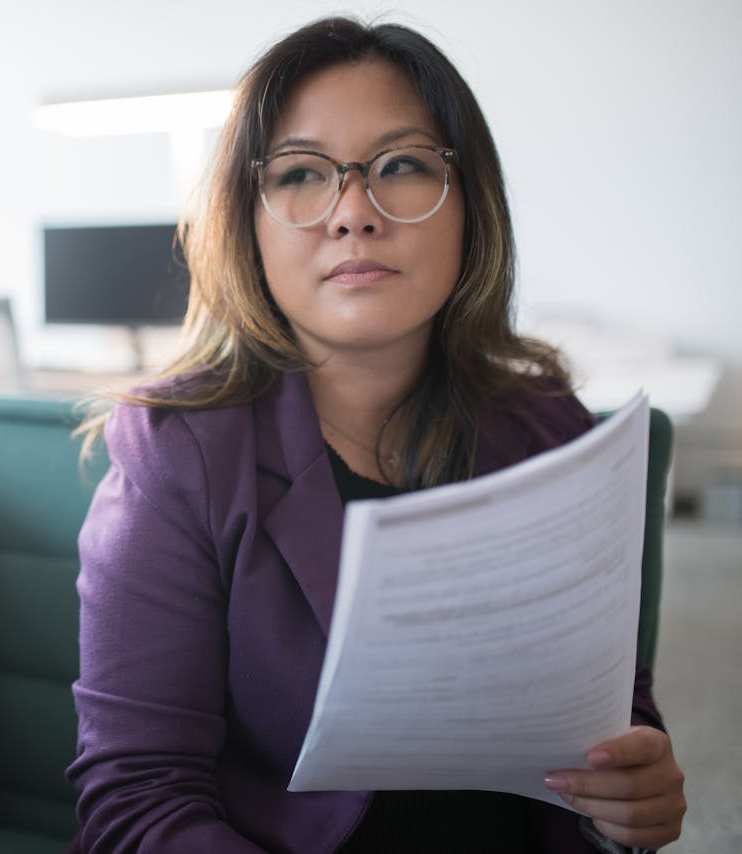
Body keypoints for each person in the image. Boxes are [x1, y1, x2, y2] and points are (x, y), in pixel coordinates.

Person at [65, 16, 685, 854]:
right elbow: (136, 803)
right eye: (300, 173)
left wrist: (629, 794)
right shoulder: (177, 453)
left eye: (401, 165)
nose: (353, 213)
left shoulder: (549, 427)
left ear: (470, 205)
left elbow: (613, 710)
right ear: (247, 222)